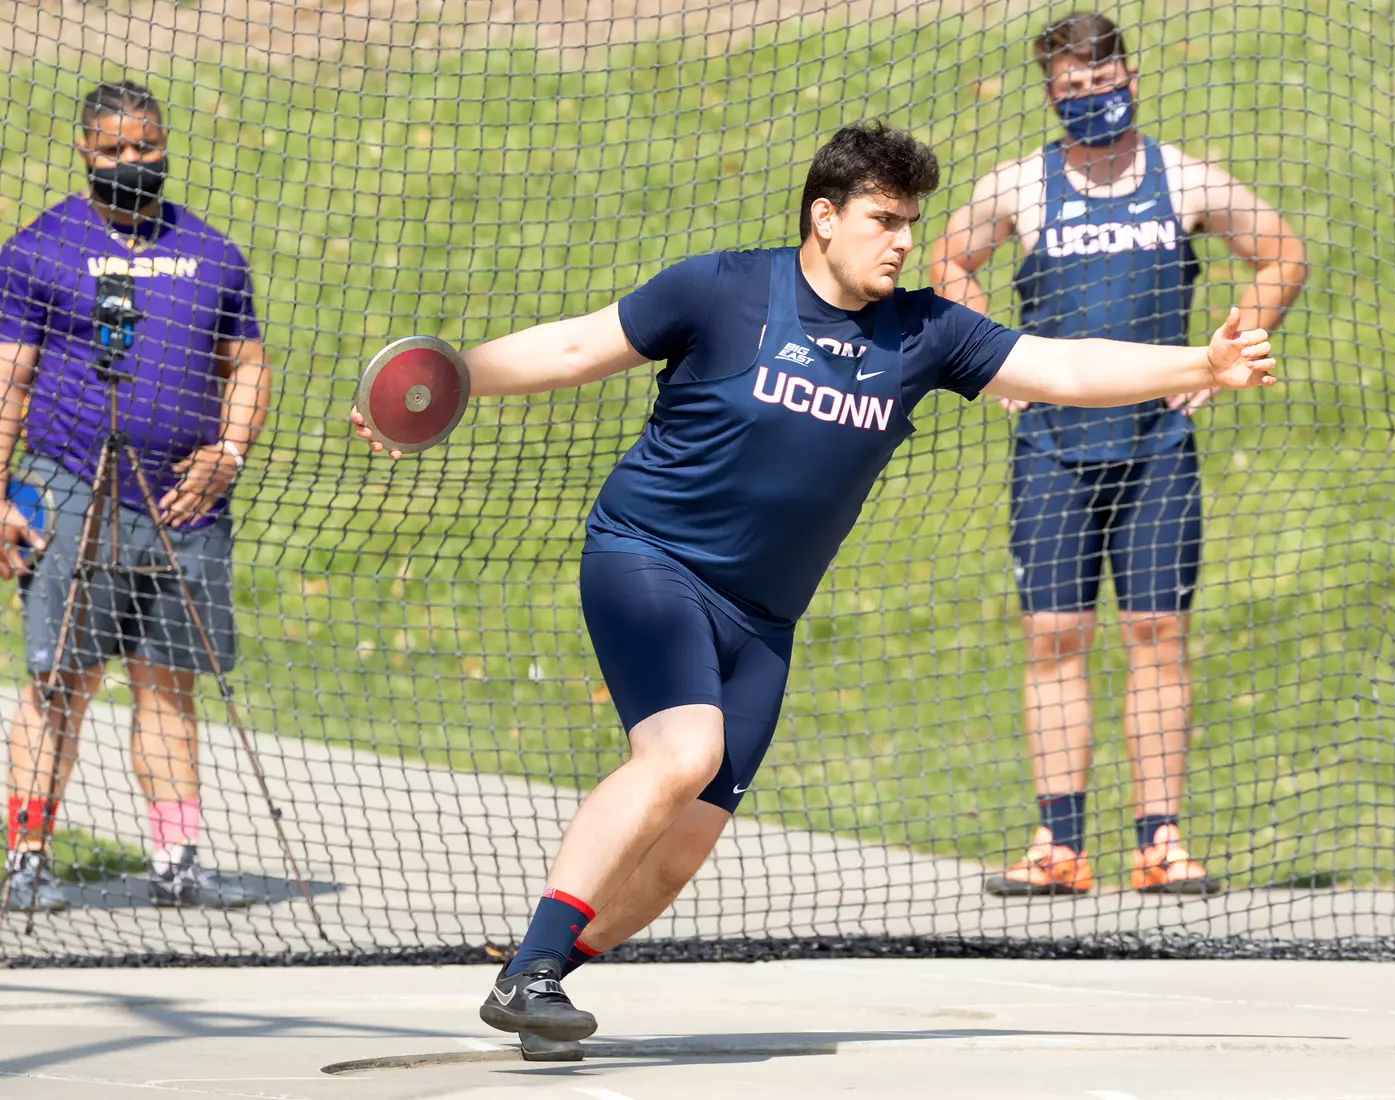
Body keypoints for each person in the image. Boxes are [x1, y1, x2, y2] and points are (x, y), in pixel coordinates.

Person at [351, 122, 1277, 1041]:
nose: (906, 241)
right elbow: (570, 351)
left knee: (677, 860)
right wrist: (447, 379)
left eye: (912, 221)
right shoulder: (720, 290)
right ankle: (531, 972)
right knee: (681, 755)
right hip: (648, 557)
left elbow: (1060, 362)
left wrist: (1203, 362)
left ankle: (541, 973)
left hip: (763, 618)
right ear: (823, 217)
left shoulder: (923, 331)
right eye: (885, 219)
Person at [930, 11, 1308, 895]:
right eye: (1071, 91)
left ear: (1130, 79)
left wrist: (1223, 357)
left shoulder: (1180, 179)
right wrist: (993, 363)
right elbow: (950, 261)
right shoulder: (1023, 186)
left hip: (1156, 443)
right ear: (1051, 93)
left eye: (1103, 86)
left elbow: (1282, 254)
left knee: (1156, 634)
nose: (1090, 101)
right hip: (1052, 445)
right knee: (1055, 636)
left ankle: (1160, 841)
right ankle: (1058, 842)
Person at [0, 80, 269, 911]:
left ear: (163, 145)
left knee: (168, 684)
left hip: (186, 505)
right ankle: (27, 859)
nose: (131, 163)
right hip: (69, 488)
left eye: (144, 148)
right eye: (113, 150)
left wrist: (229, 450)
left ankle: (176, 861)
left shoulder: (214, 252)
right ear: (84, 151)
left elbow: (248, 363)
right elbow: (10, 381)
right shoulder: (39, 249)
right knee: (59, 682)